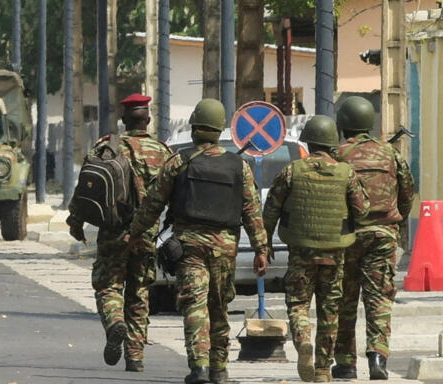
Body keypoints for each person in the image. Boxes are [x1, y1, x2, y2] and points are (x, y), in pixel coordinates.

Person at [123, 98, 270, 384]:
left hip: (189, 246)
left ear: (194, 128)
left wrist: (136, 233)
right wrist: (260, 250)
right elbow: (253, 212)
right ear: (219, 129)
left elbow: (152, 204)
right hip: (224, 248)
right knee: (218, 306)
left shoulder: (179, 161)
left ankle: (199, 366)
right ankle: (219, 369)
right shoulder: (238, 166)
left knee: (194, 306)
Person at [67, 93, 172, 373]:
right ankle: (135, 358)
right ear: (147, 119)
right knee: (139, 295)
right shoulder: (163, 152)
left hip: (112, 232)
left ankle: (115, 322)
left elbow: (86, 185)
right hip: (146, 236)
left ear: (124, 120)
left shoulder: (107, 147)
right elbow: (178, 193)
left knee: (108, 286)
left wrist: (75, 220)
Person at [263, 115, 370, 383]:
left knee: (298, 303)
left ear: (309, 143)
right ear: (332, 143)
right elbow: (363, 210)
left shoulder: (291, 171)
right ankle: (323, 369)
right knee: (329, 309)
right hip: (335, 253)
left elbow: (271, 210)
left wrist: (262, 244)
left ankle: (302, 342)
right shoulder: (347, 173)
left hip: (301, 251)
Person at [330, 96, 417, 380]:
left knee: (345, 299)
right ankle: (377, 358)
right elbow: (407, 194)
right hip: (383, 235)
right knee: (379, 299)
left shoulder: (337, 155)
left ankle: (345, 363)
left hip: (347, 235)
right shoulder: (390, 154)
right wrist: (395, 221)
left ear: (343, 125)